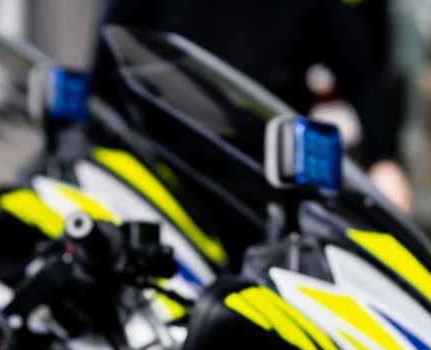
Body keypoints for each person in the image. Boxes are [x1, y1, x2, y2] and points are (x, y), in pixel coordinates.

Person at [93, 0, 412, 209]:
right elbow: (108, 66)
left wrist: (385, 159)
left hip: (266, 182)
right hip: (167, 172)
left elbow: (362, 73)